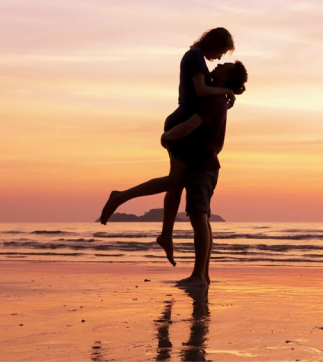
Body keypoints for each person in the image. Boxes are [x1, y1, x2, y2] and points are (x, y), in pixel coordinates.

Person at [97, 28, 239, 266]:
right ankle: (121, 197)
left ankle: (165, 234)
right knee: (175, 181)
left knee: (176, 183)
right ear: (214, 43)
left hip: (183, 123)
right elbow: (201, 90)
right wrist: (227, 90)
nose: (219, 58)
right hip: (182, 123)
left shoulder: (198, 58)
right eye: (221, 52)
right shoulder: (194, 56)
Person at [160, 61, 245, 287]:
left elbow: (189, 126)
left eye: (224, 66)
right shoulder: (217, 96)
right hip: (204, 164)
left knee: (199, 217)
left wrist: (166, 137)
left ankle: (199, 275)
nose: (219, 64)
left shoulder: (214, 101)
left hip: (202, 165)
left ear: (227, 77)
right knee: (202, 218)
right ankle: (202, 275)